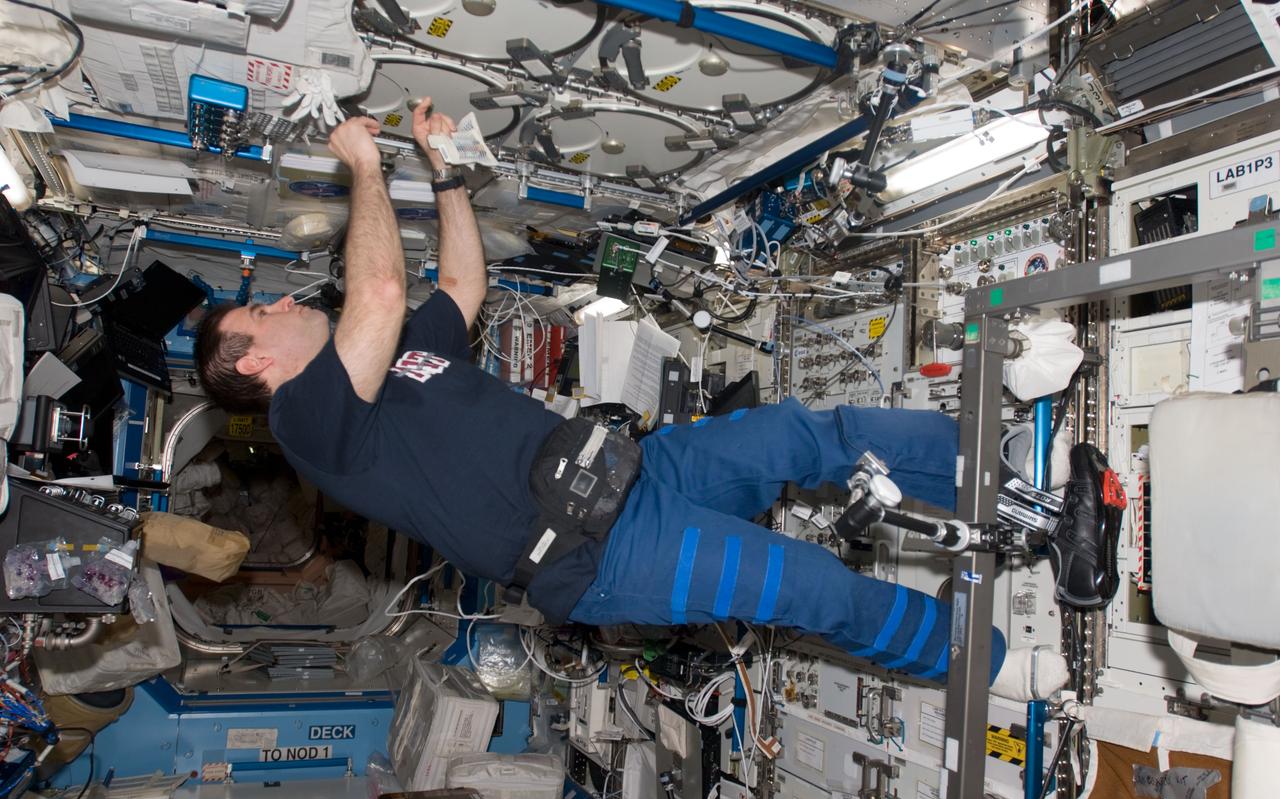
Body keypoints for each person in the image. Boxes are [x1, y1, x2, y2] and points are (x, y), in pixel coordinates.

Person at [195, 103, 1066, 700]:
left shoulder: (398, 360)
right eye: (260, 312)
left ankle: (986, 461)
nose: (280, 301)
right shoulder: (306, 418)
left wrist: (447, 173)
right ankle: (982, 663)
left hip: (632, 474)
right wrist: (365, 168)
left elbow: (459, 286)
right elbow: (379, 289)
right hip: (602, 558)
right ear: (254, 359)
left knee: (803, 435)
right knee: (808, 584)